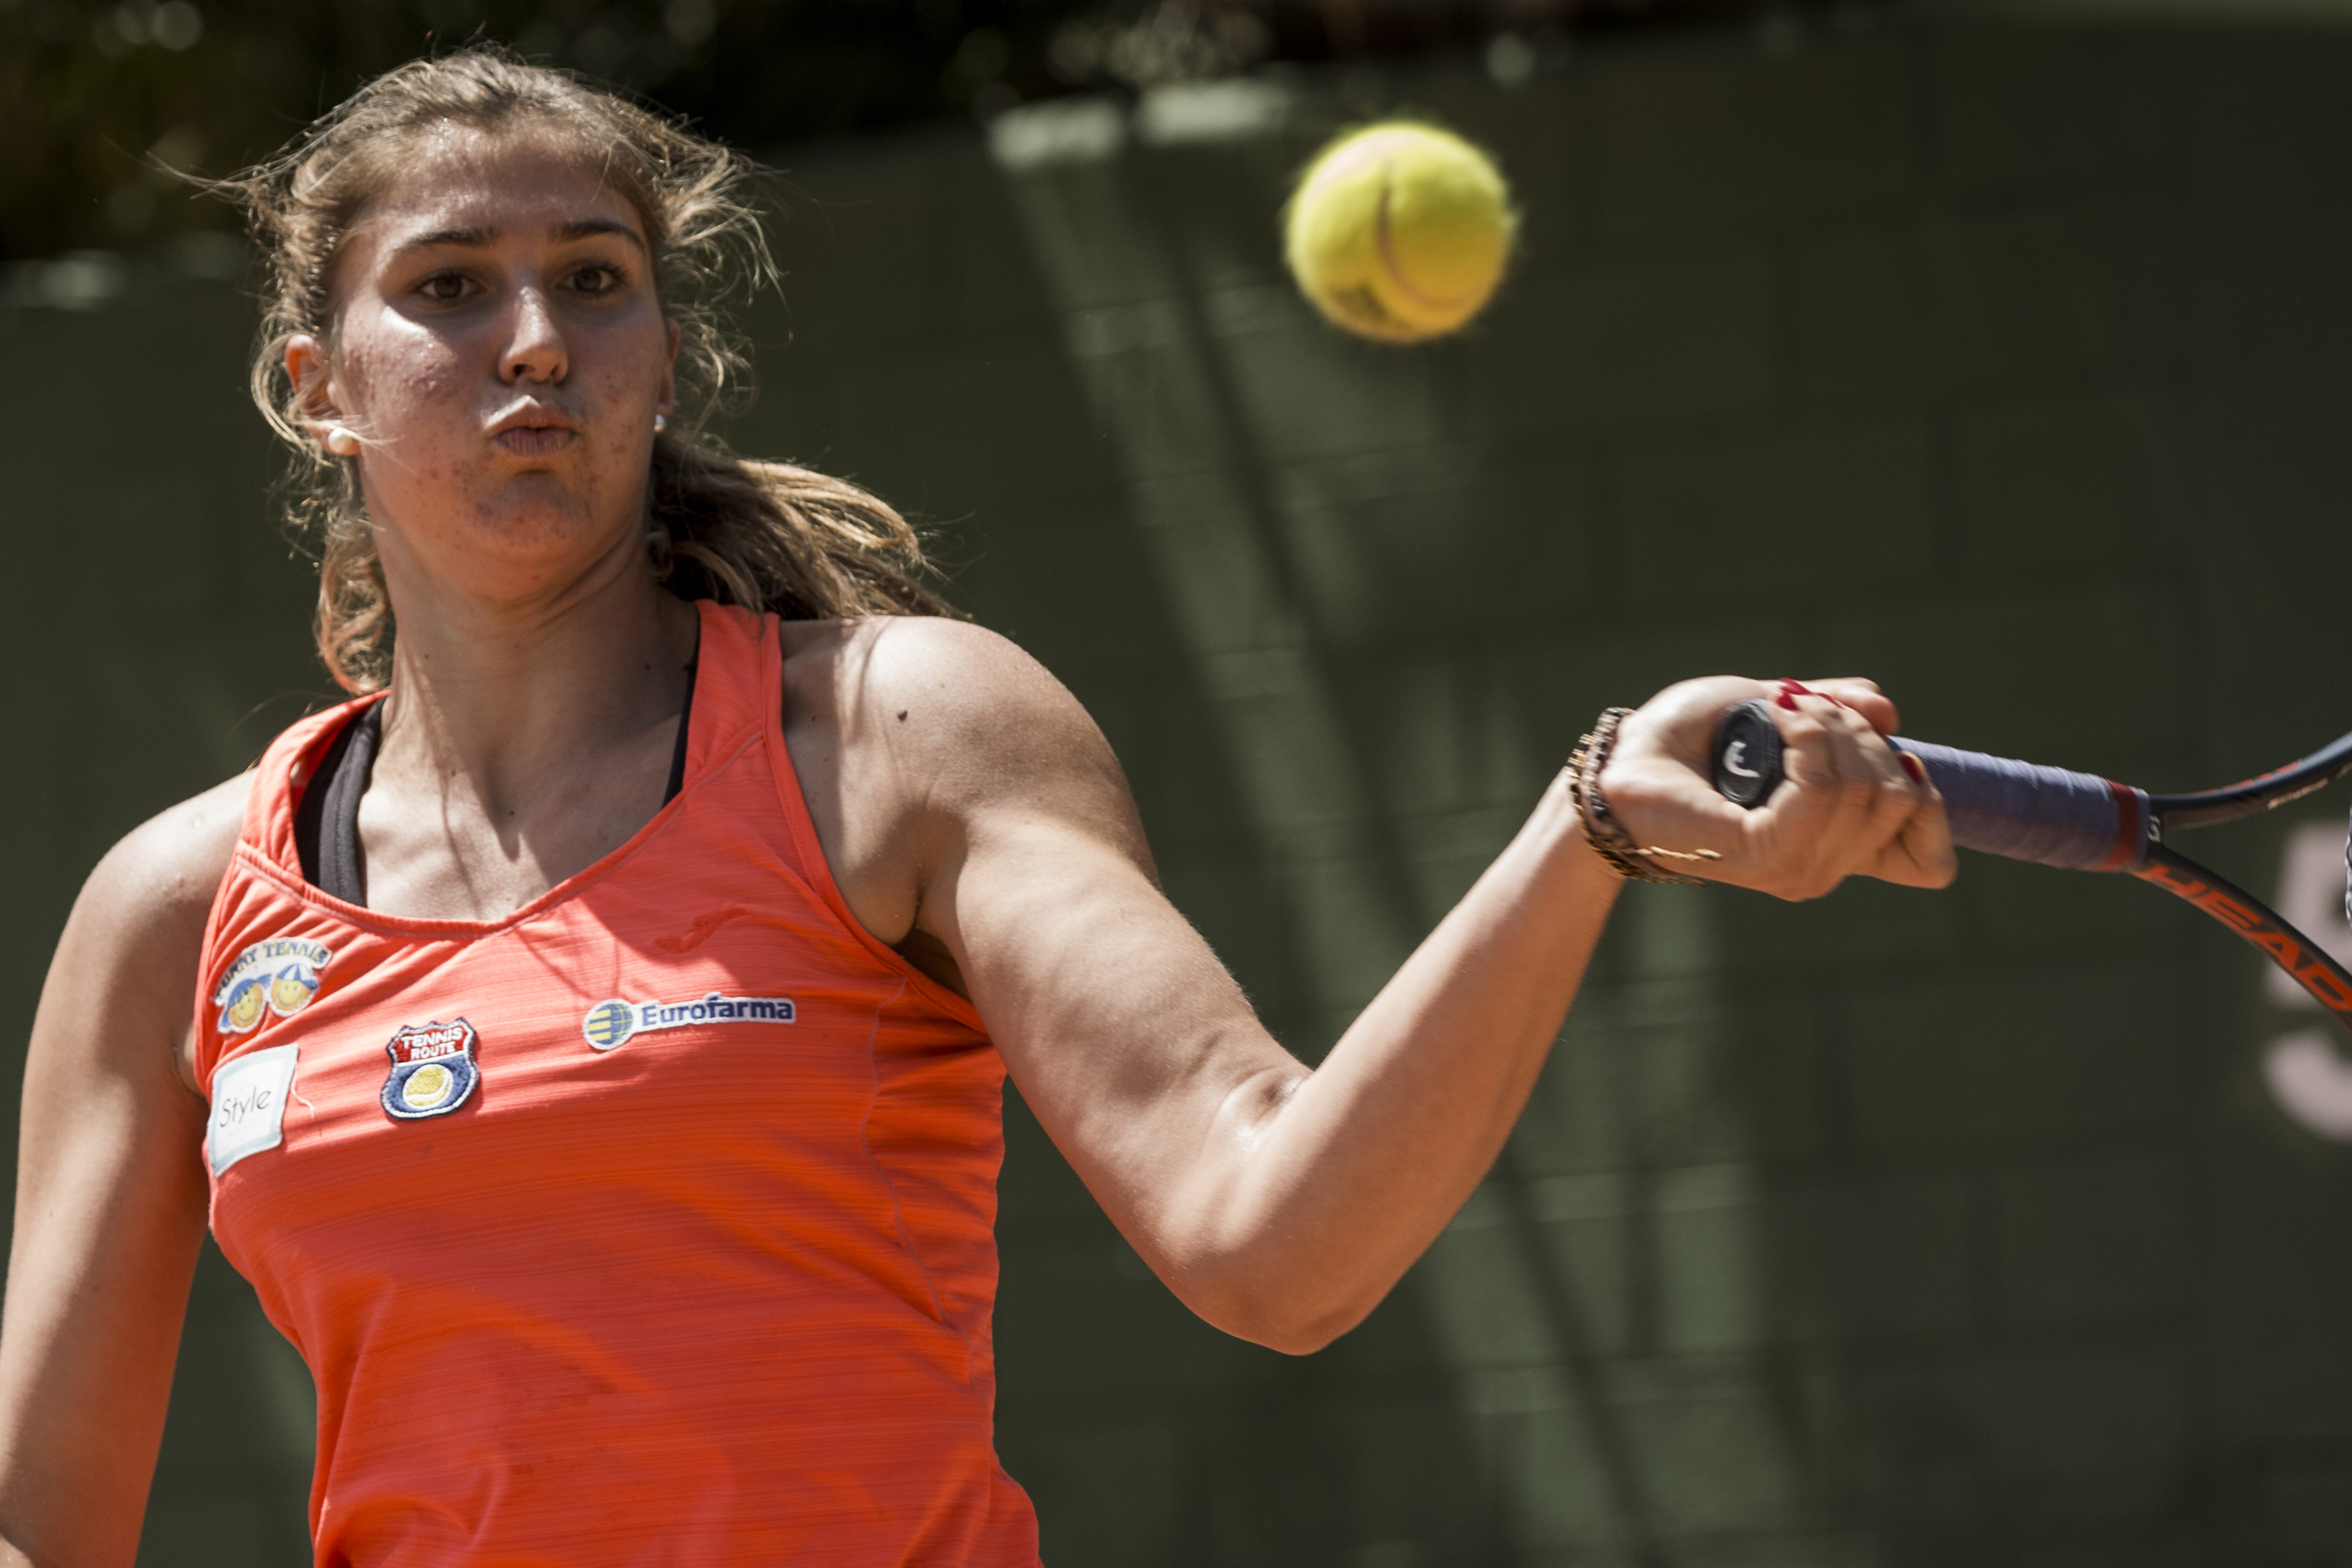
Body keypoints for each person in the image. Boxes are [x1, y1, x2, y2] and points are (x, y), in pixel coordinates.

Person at [0, 45, 1953, 1567]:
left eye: (591, 282)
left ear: (660, 354)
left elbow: (1271, 1242)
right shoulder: (178, 910)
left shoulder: (902, 741)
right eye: (446, 287)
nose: (533, 340)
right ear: (316, 384)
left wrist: (1585, 829)